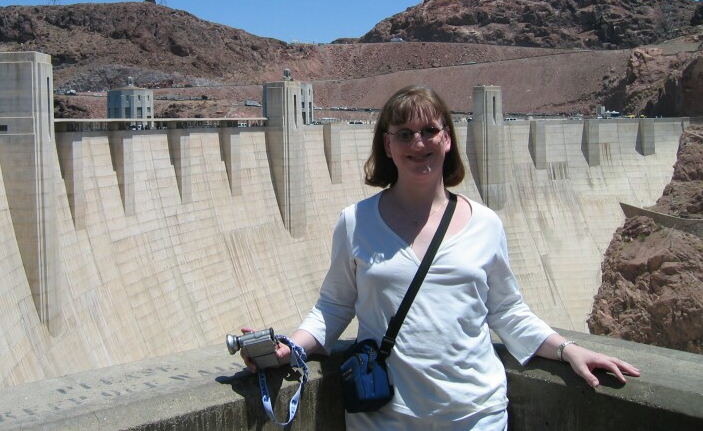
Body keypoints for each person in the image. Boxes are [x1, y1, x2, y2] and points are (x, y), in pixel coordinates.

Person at [241, 85, 640, 430]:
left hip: (475, 416)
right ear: (388, 145)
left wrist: (568, 349)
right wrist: (291, 347)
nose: (419, 143)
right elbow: (334, 305)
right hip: (383, 418)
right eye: (405, 133)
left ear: (447, 139)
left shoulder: (485, 224)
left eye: (430, 131)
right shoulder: (355, 222)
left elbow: (507, 311)